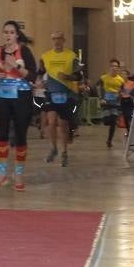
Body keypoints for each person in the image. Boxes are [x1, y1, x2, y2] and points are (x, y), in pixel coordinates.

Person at [0, 21, 34, 190]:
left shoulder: (24, 52)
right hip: (2, 96)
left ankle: (19, 175)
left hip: (21, 96)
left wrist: (16, 66)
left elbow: (32, 75)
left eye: (11, 32)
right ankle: (1, 174)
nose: (8, 35)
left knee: (21, 134)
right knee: (2, 134)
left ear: (17, 35)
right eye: (5, 32)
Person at [40, 31, 80, 167]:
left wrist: (68, 77)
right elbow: (39, 73)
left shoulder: (71, 56)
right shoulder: (45, 56)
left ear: (64, 40)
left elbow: (79, 75)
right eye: (54, 39)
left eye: (59, 39)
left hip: (66, 93)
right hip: (51, 93)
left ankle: (64, 152)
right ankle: (53, 148)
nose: (56, 41)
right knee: (50, 122)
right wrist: (40, 81)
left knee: (63, 124)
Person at [98, 59, 127, 149]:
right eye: (112, 66)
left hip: (115, 102)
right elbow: (99, 88)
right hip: (105, 101)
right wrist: (101, 98)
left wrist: (121, 95)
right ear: (109, 67)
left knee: (113, 121)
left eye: (116, 66)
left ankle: (109, 140)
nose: (114, 68)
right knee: (107, 120)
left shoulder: (121, 80)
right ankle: (106, 118)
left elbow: (123, 91)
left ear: (118, 68)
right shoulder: (103, 78)